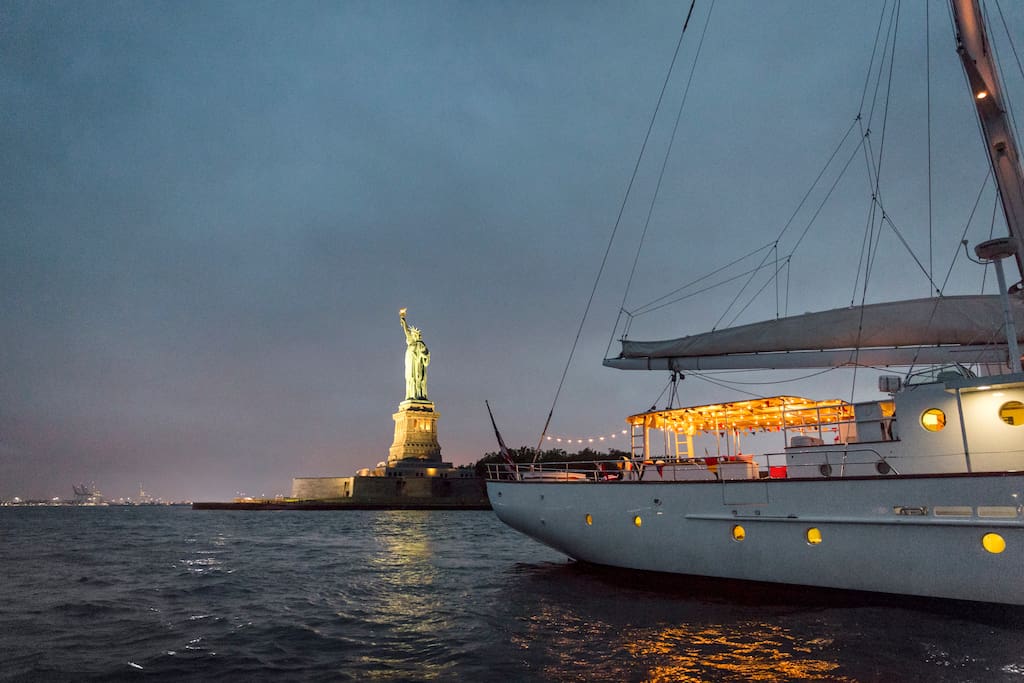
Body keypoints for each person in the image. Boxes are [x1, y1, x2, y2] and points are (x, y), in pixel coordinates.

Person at [399, 309, 430, 400]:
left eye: (418, 335)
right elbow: (406, 330)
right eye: (416, 335)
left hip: (418, 364)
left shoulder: (421, 344)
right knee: (410, 378)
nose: (418, 336)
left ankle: (420, 395)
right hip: (410, 361)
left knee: (418, 378)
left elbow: (426, 355)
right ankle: (411, 395)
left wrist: (424, 356)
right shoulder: (411, 341)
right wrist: (403, 320)